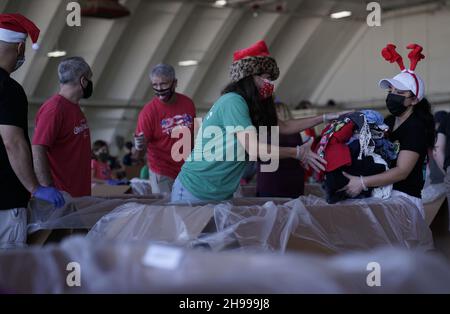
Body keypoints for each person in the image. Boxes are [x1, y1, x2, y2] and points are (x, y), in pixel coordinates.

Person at [171, 40, 346, 203]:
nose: (269, 82)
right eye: (264, 76)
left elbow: (284, 126)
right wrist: (298, 153)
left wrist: (323, 118)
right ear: (248, 77)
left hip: (219, 193)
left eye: (270, 78)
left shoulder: (252, 107)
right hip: (194, 190)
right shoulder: (233, 102)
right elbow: (254, 149)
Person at [342, 43, 435, 218]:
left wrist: (363, 182)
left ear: (414, 100)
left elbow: (402, 171)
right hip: (384, 196)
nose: (392, 95)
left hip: (404, 202)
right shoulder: (389, 121)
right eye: (390, 90)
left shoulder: (416, 127)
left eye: (399, 92)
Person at [0, 14, 65, 249]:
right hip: (5, 204)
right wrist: (35, 188)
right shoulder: (8, 89)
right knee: (9, 274)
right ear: (19, 47)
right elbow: (12, 142)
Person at [32, 57, 93, 197]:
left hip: (78, 195)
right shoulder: (54, 109)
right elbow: (38, 148)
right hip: (62, 198)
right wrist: (47, 188)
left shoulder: (74, 107)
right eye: (89, 79)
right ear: (83, 81)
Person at [134, 64, 196, 194]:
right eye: (155, 85)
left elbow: (195, 137)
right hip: (162, 172)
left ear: (175, 83)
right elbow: (137, 155)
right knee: (166, 209)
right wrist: (139, 147)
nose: (159, 89)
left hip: (187, 170)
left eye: (163, 84)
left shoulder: (188, 104)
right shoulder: (148, 112)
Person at [256, 101, 305, 198]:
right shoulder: (296, 133)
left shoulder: (266, 131)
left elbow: (257, 155)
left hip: (270, 180)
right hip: (293, 179)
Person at [428, 111, 447, 184]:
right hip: (442, 177)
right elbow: (436, 153)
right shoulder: (440, 137)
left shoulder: (431, 137)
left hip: (436, 177)